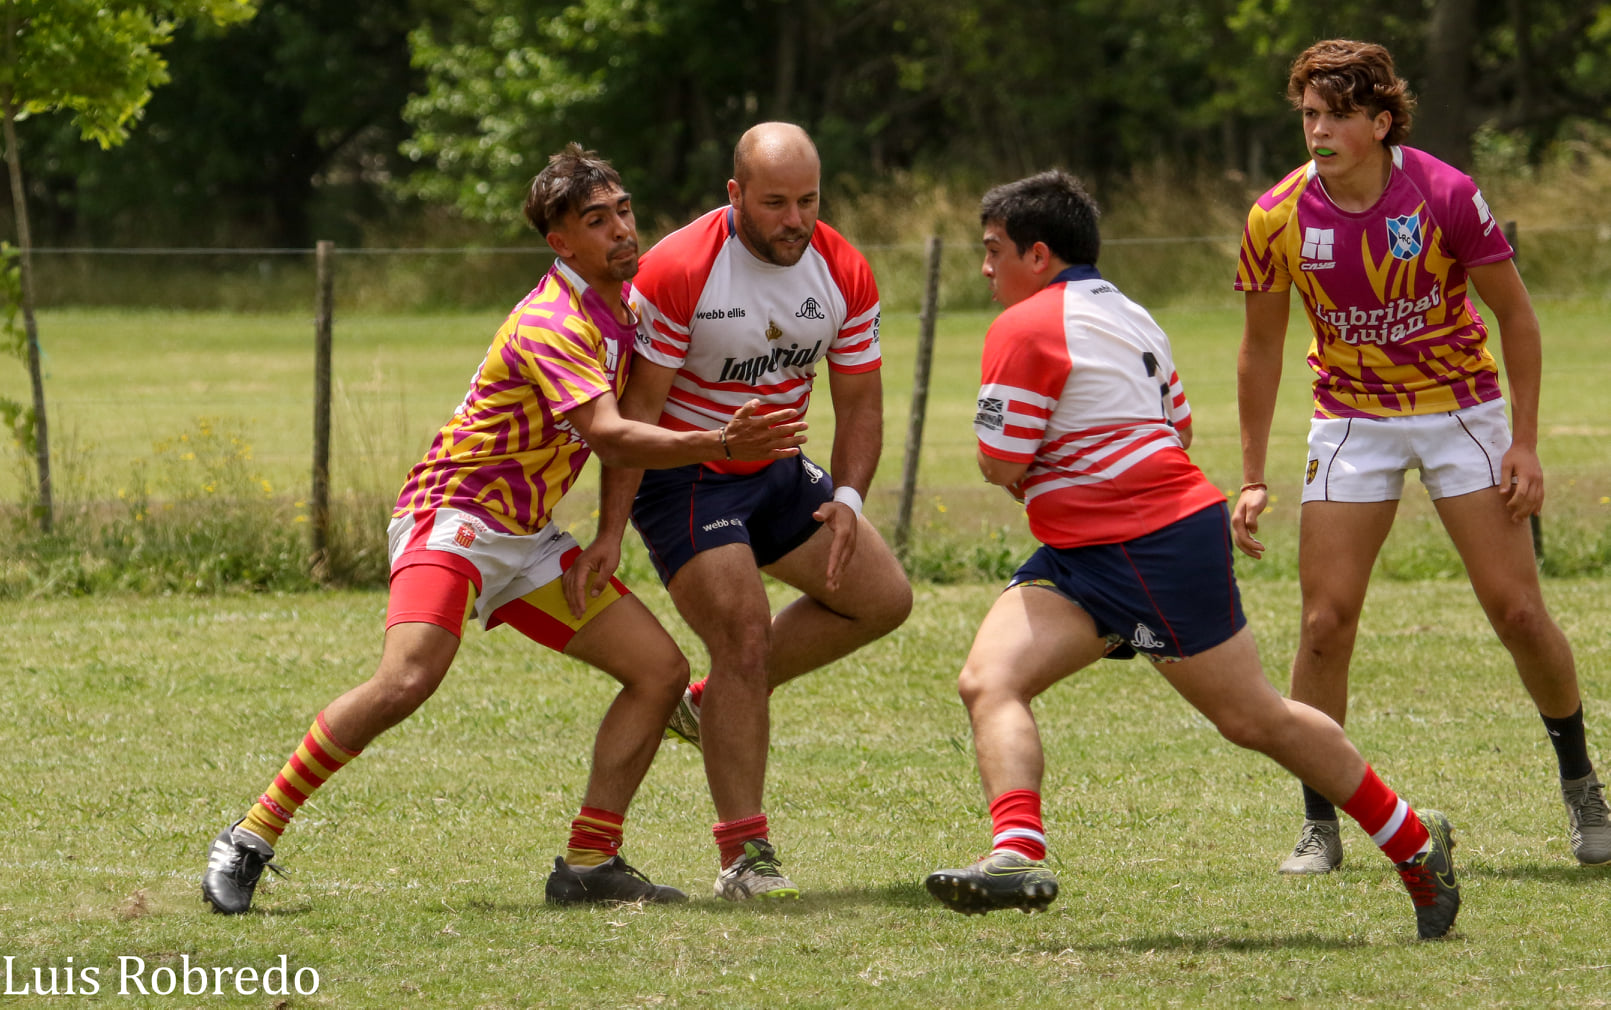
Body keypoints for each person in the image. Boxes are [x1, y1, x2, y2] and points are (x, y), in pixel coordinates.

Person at [200, 143, 807, 914]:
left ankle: (589, 863)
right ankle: (251, 834)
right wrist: (721, 445)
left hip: (526, 536)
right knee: (407, 679)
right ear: (560, 243)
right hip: (451, 515)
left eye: (622, 210)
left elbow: (632, 424)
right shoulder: (552, 320)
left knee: (657, 675)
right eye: (596, 220)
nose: (622, 229)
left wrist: (610, 535)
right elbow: (613, 434)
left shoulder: (631, 308)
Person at [923, 169, 1459, 941]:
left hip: (1148, 544)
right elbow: (1176, 426)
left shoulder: (1024, 325)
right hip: (1086, 548)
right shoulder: (1131, 314)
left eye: (992, 250)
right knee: (988, 680)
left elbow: (1000, 461)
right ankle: (1016, 853)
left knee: (1254, 719)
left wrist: (1061, 476)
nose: (984, 268)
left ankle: (1413, 843)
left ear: (1036, 255)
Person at [1232, 39, 1610, 874]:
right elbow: (1260, 350)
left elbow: (1516, 316)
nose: (1318, 130)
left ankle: (1582, 785)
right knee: (1324, 625)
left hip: (1457, 413)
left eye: (1335, 116)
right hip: (1349, 420)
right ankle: (1318, 823)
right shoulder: (1277, 215)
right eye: (1308, 115)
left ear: (1378, 120)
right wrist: (1253, 476)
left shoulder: (1443, 193)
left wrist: (1525, 441)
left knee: (1516, 612)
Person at [568, 122, 913, 901]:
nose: (795, 220)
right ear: (735, 196)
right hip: (686, 475)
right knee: (744, 636)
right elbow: (636, 413)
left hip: (780, 469)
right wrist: (612, 529)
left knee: (882, 600)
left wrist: (849, 502)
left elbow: (859, 405)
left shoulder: (843, 269)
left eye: (808, 200)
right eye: (774, 203)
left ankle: (709, 703)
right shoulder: (680, 269)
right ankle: (743, 857)